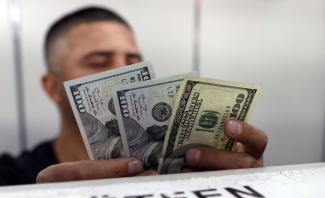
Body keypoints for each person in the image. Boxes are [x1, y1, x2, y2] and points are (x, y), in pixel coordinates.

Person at [0, 6, 267, 186]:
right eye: (98, 62)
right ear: (51, 87)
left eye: (133, 61)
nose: (122, 71)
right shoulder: (11, 179)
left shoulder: (184, 168)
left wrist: (241, 190)